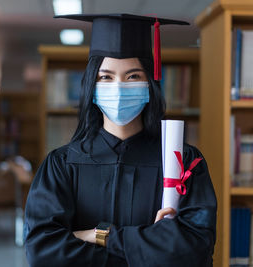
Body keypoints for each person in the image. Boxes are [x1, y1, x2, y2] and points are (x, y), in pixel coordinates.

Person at [24, 14, 217, 267]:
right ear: (91, 87)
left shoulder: (183, 161)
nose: (118, 87)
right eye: (106, 77)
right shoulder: (62, 164)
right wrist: (149, 246)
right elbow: (42, 252)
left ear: (150, 84)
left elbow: (194, 250)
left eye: (133, 76)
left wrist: (100, 235)